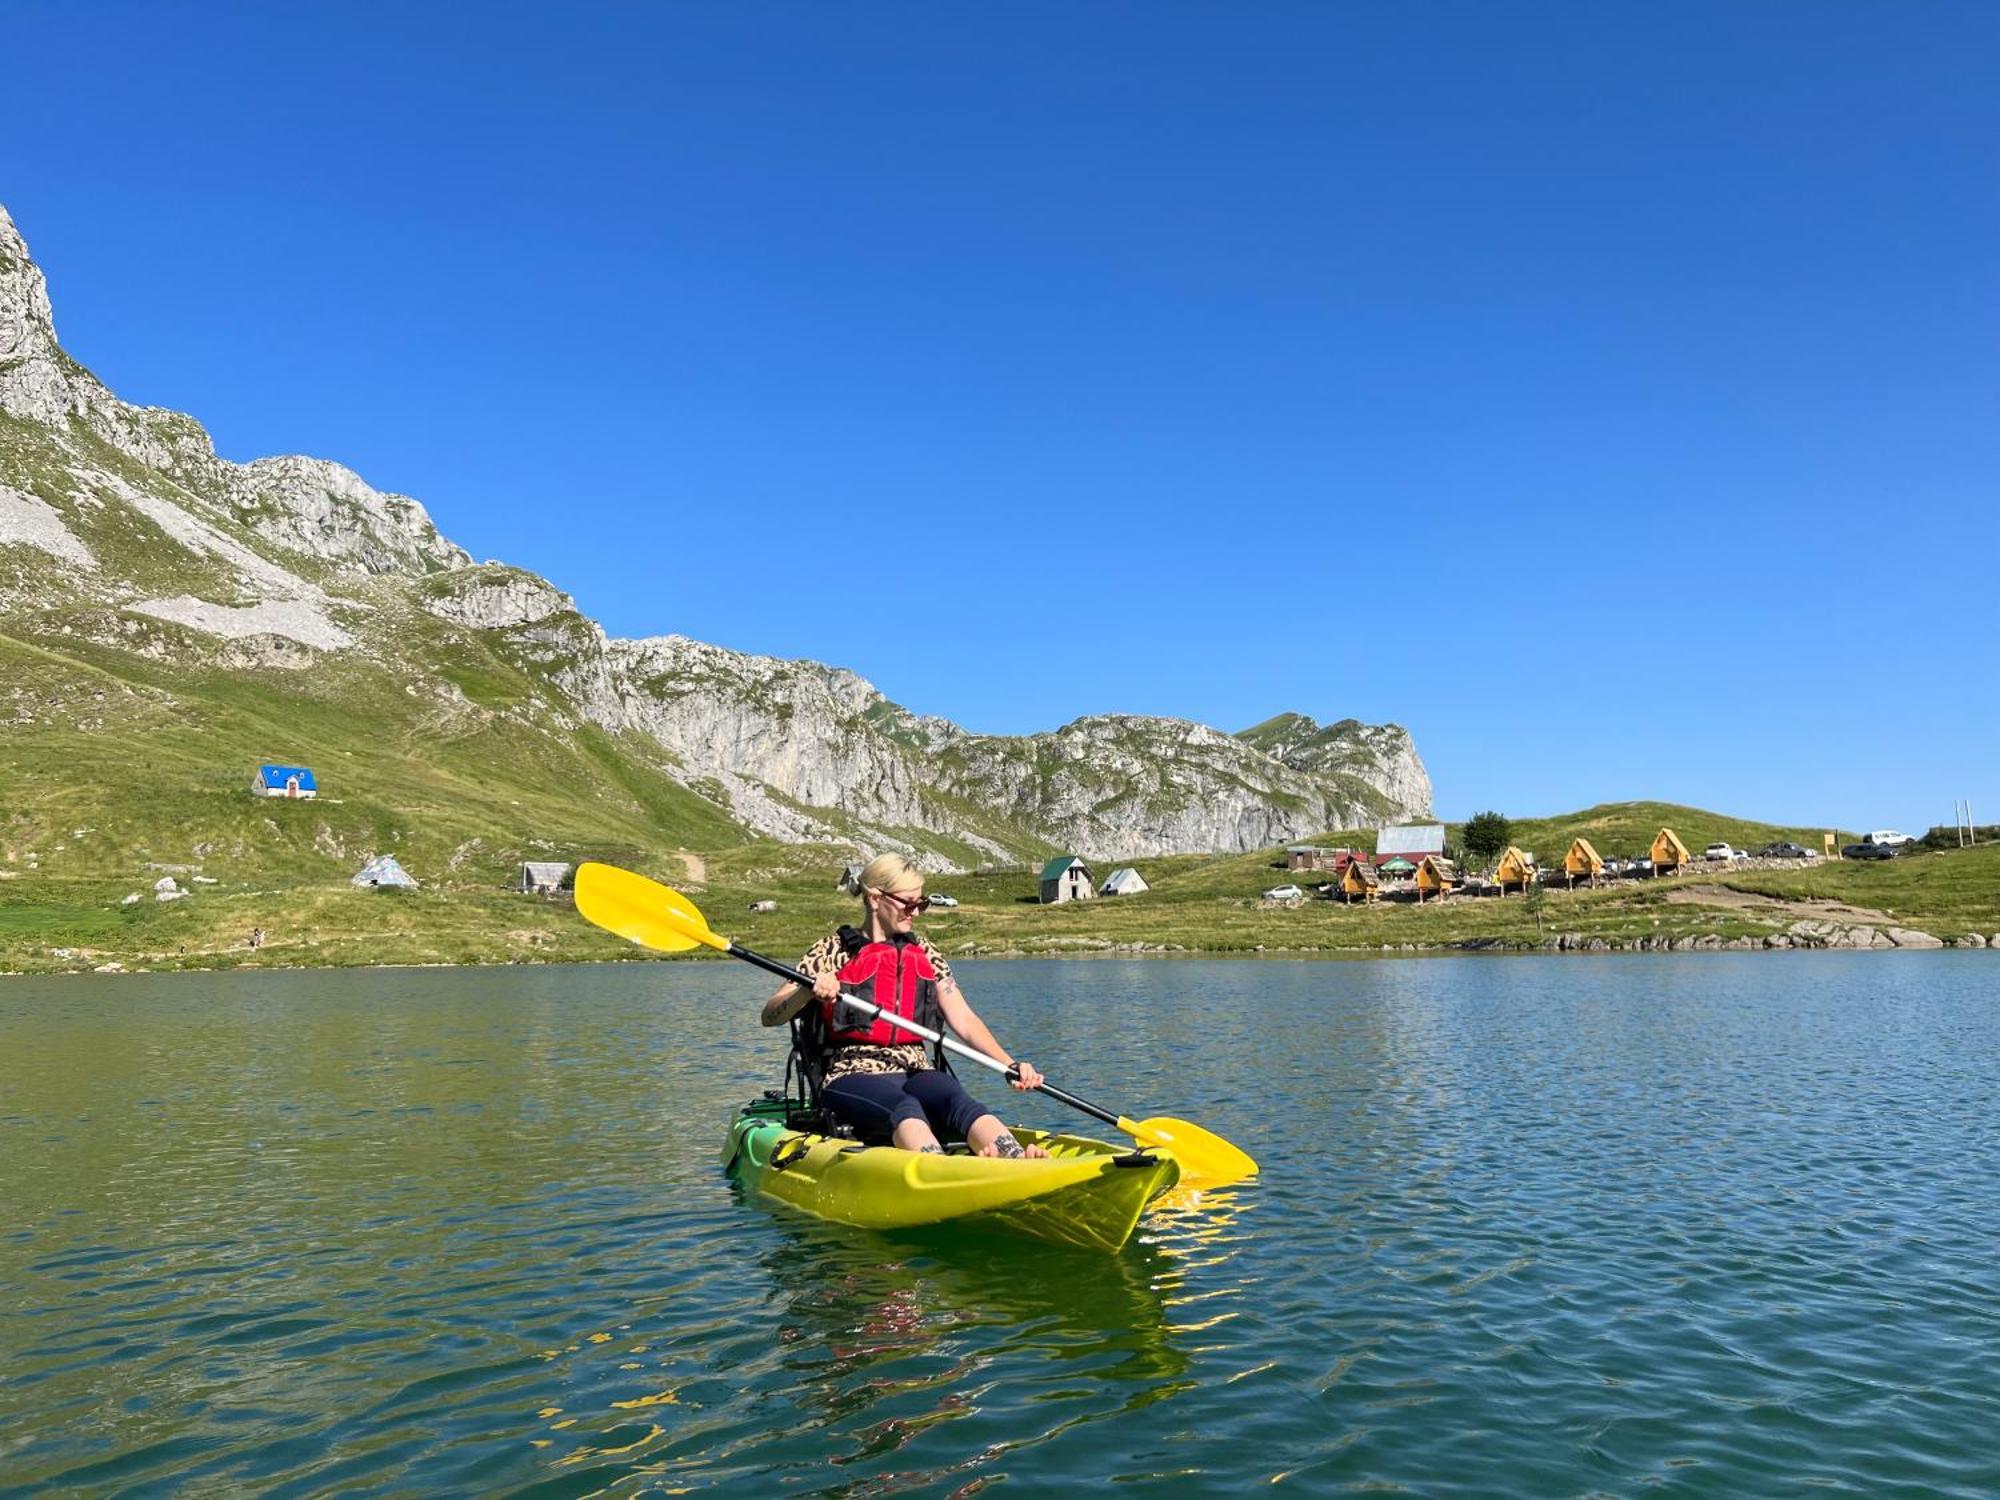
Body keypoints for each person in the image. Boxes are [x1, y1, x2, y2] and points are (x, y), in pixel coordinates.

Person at [762, 853, 1049, 1158]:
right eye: (908, 904)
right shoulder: (831, 950)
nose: (917, 912)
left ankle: (1016, 1158)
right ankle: (938, 1168)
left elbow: (963, 1019)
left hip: (916, 1068)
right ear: (874, 899)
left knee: (957, 1099)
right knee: (905, 1107)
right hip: (852, 1072)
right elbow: (770, 1014)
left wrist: (1010, 1065)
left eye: (921, 903)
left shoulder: (924, 951)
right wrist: (807, 991)